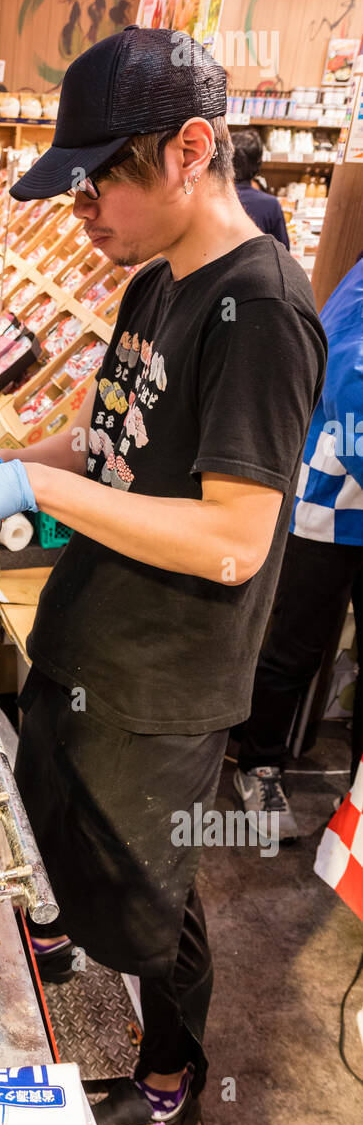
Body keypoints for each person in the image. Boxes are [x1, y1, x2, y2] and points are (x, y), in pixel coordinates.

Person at [0, 27, 327, 1125]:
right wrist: (4, 466)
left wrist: (34, 498)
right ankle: (63, 920)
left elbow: (234, 536)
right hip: (91, 634)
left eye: (99, 178)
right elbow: (103, 436)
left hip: (166, 676)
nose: (79, 207)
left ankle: (172, 1049)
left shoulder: (263, 313)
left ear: (189, 149)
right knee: (54, 804)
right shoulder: (155, 285)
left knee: (153, 894)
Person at [233, 257, 363, 839]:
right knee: (295, 645)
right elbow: (344, 382)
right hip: (331, 499)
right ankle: (259, 765)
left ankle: (358, 800)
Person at [232, 129, 290, 248]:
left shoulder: (211, 200)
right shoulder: (271, 205)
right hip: (260, 266)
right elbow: (283, 252)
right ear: (258, 164)